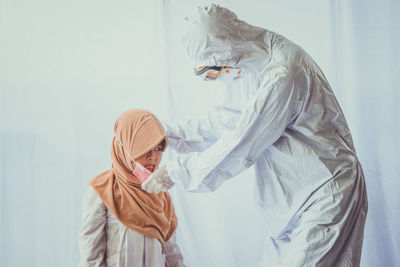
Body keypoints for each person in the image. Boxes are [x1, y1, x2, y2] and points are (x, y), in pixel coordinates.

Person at [142, 4, 368, 267]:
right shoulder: (250, 64)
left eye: (212, 69)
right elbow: (225, 121)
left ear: (226, 51)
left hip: (325, 197)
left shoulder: (283, 75)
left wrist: (176, 172)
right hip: (288, 203)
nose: (214, 75)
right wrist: (166, 133)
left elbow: (241, 145)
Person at [78, 109, 185, 267]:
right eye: (143, 147)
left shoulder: (160, 192)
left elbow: (172, 253)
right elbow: (90, 254)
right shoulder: (103, 189)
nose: (153, 157)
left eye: (158, 148)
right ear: (124, 147)